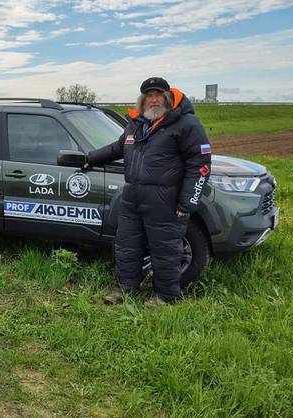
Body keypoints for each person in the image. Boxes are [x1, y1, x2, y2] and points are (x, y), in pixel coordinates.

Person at [87, 77, 211, 304]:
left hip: (166, 200)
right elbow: (117, 147)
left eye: (158, 95)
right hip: (133, 196)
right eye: (149, 96)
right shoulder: (137, 124)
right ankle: (126, 290)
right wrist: (89, 158)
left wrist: (187, 202)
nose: (153, 100)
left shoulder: (186, 124)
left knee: (164, 250)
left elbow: (200, 165)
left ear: (167, 98)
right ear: (142, 100)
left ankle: (165, 297)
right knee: (126, 245)